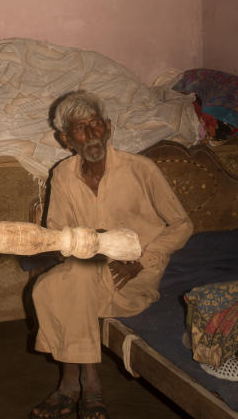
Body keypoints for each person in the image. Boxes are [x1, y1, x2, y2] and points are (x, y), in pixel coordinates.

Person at [30, 91, 193, 419]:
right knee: (46, 287)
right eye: (79, 129)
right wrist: (90, 246)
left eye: (95, 126)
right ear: (65, 139)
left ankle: (76, 384)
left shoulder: (141, 170)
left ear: (108, 128)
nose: (90, 135)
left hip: (133, 274)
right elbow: (58, 235)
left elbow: (183, 225)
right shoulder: (62, 175)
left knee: (57, 288)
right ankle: (83, 381)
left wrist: (144, 260)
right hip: (87, 270)